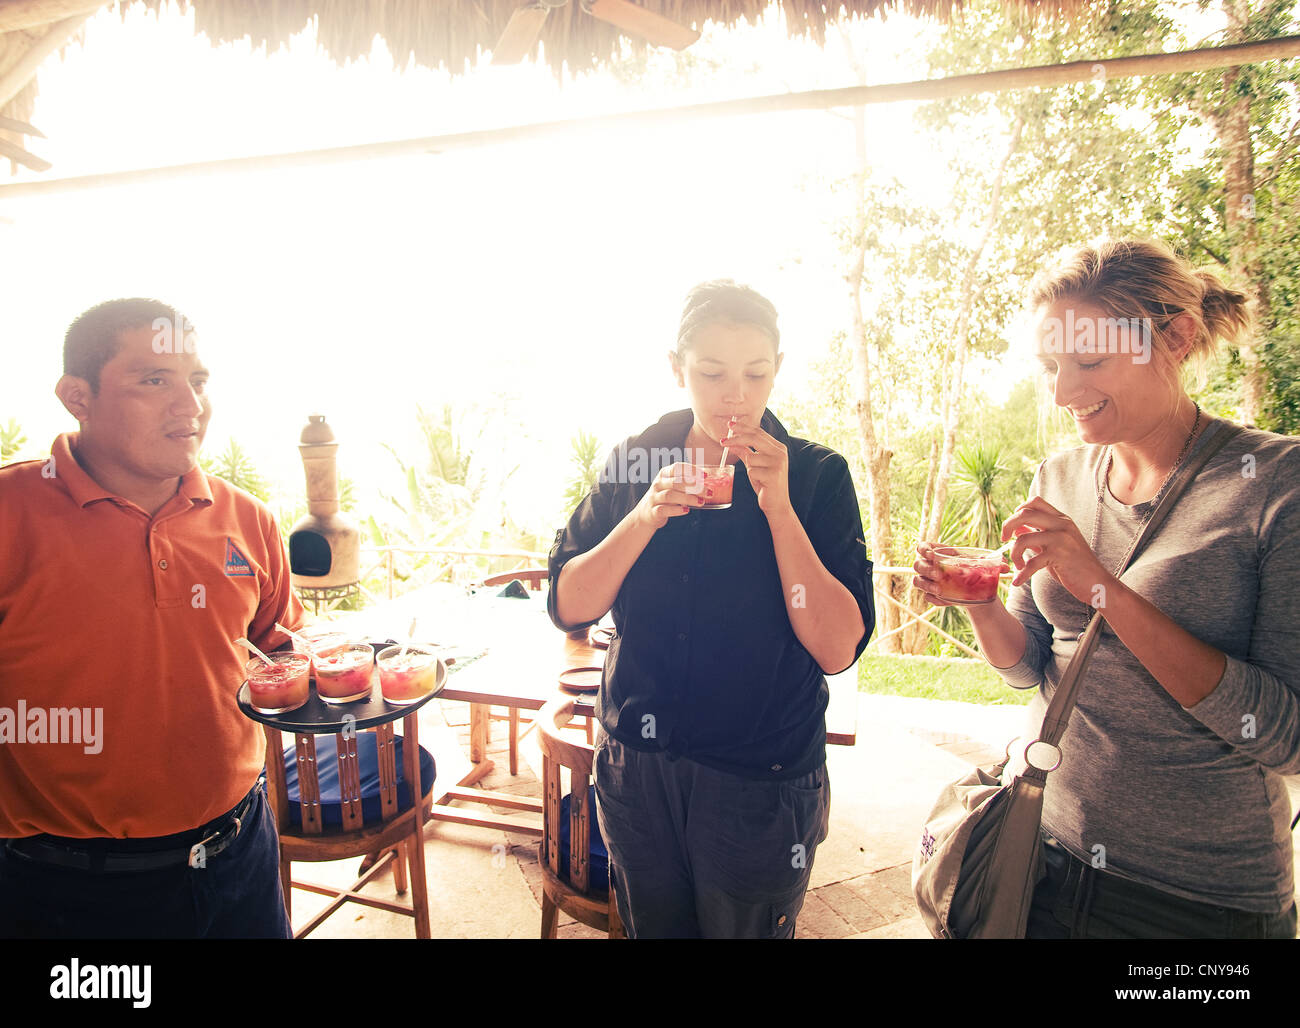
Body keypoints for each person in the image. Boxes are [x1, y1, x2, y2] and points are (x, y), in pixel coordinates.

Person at [913, 240, 1300, 939]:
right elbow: (1030, 668)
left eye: (1089, 362)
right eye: (1052, 366)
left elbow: (1289, 739)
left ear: (1176, 336)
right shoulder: (1060, 477)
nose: (1063, 393)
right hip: (1043, 855)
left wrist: (1103, 588)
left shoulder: (1276, 485)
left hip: (1196, 901)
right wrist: (979, 603)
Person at [548, 280, 875, 938]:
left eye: (756, 373)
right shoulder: (639, 459)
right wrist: (643, 516)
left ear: (777, 369)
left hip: (762, 777)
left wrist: (778, 508)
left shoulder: (815, 476)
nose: (736, 395)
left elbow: (837, 650)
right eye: (711, 372)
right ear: (677, 370)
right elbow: (568, 604)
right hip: (636, 767)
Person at [0, 298, 304, 938]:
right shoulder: (10, 514)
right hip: (63, 888)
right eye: (153, 380)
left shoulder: (247, 518)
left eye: (197, 380)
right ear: (76, 396)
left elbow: (275, 649)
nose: (190, 406)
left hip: (239, 857)